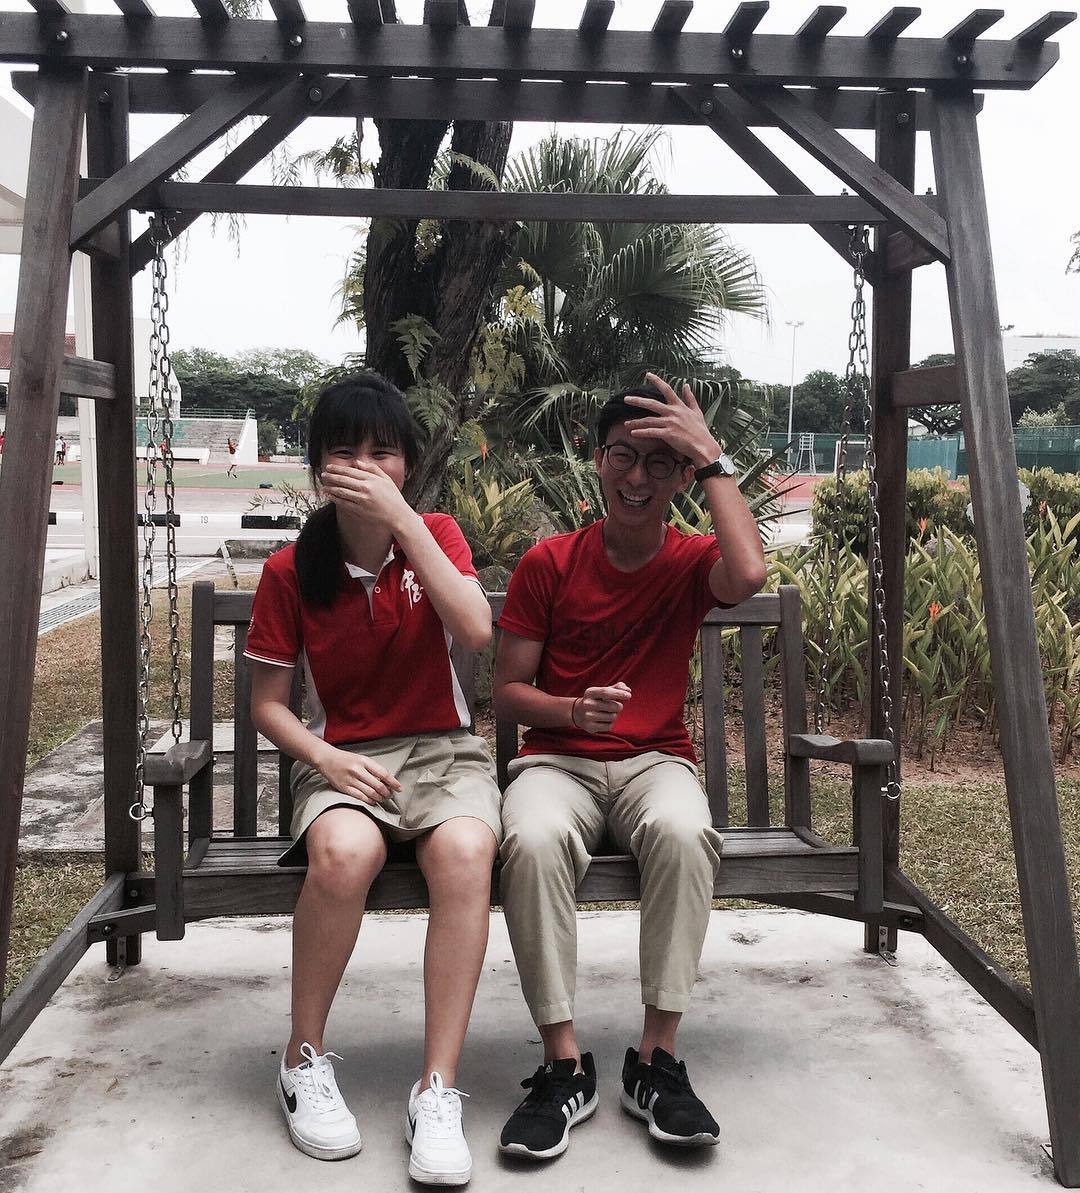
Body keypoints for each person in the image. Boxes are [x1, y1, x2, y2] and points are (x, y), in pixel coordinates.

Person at [494, 373, 767, 1159]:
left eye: (660, 461)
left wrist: (711, 453)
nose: (637, 476)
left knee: (685, 831)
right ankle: (564, 1064)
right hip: (558, 761)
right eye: (622, 455)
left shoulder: (691, 561)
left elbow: (749, 576)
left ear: (683, 475)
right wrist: (571, 709)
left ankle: (655, 1060)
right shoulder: (549, 562)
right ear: (598, 459)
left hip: (655, 760)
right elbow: (509, 693)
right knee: (532, 839)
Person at [246, 370, 502, 1184]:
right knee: (344, 853)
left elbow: (477, 629)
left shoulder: (437, 536)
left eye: (382, 451)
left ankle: (437, 1088)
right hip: (344, 759)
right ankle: (302, 1059)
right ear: (317, 464)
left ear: (408, 464)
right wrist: (325, 759)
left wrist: (404, 522)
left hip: (443, 753)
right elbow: (267, 705)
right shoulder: (292, 570)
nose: (363, 466)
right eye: (344, 450)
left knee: (466, 852)